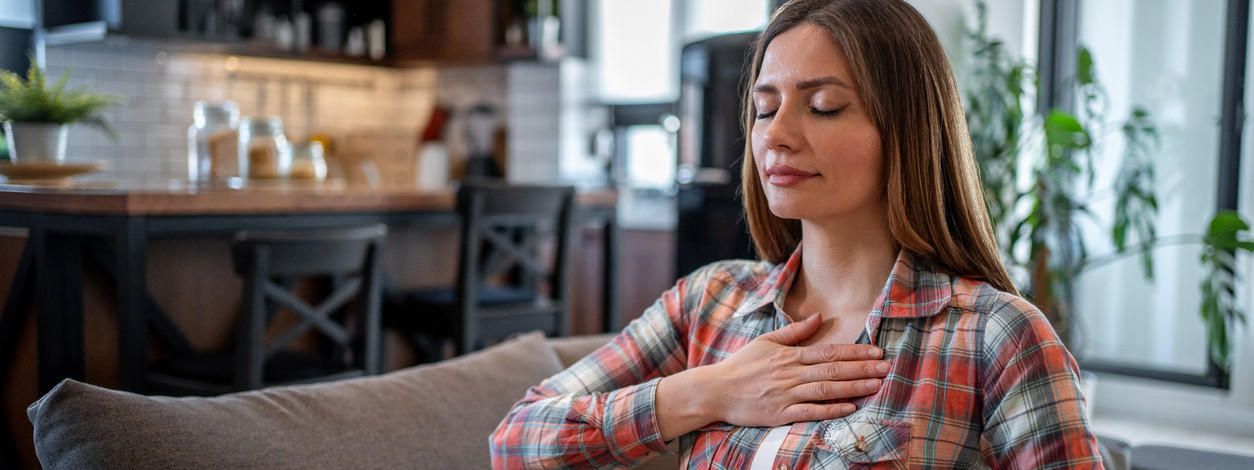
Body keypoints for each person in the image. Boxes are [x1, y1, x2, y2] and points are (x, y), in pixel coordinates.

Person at [491, 0, 1102, 468]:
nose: (775, 135)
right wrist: (707, 392)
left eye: (823, 106)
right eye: (764, 108)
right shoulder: (711, 301)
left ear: (907, 129)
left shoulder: (996, 336)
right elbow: (516, 441)